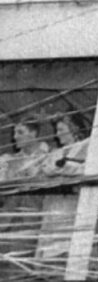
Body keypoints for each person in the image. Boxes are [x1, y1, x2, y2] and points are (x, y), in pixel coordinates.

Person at [36, 114, 90, 265]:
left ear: (74, 129)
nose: (57, 133)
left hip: (74, 205)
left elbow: (86, 169)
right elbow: (45, 170)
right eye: (56, 129)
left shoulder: (87, 146)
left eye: (61, 129)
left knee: (70, 251)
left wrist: (62, 169)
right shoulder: (56, 152)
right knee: (51, 252)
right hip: (54, 207)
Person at [0, 118, 50, 276]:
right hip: (6, 223)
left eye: (20, 132)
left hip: (31, 223)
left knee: (21, 270)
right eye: (15, 132)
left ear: (34, 134)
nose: (15, 137)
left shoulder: (47, 157)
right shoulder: (8, 160)